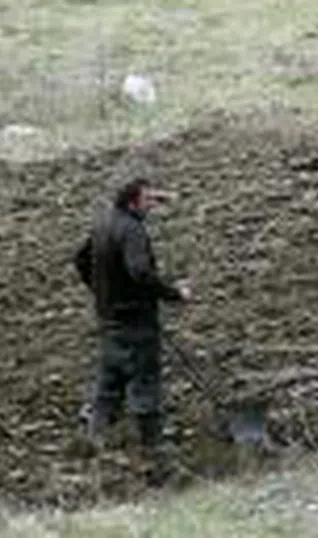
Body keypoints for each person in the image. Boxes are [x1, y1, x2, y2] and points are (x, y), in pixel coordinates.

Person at [73, 177, 191, 479]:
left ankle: (93, 440)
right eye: (147, 201)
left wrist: (103, 292)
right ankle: (153, 449)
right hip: (136, 321)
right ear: (133, 202)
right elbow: (140, 271)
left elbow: (80, 260)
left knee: (109, 381)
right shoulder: (133, 230)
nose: (151, 205)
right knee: (144, 380)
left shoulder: (104, 223)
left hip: (109, 319)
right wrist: (173, 293)